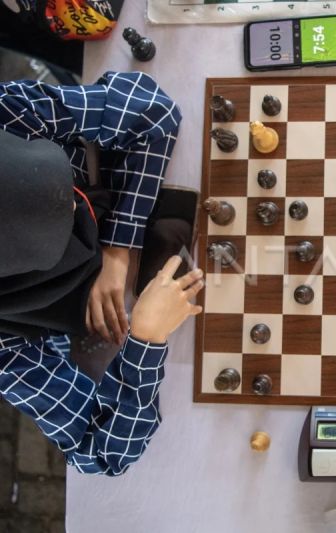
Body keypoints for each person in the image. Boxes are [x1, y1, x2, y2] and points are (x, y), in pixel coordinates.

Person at [0, 72, 203, 475]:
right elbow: (98, 454)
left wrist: (117, 250)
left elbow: (152, 111)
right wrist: (146, 338)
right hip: (119, 332)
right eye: (59, 232)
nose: (78, 206)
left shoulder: (7, 113)